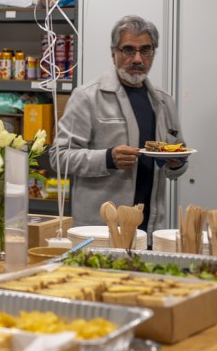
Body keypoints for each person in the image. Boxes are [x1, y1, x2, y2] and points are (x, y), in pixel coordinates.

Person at [50, 15, 187, 237]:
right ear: (114, 54)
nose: (137, 59)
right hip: (100, 229)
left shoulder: (164, 101)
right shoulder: (86, 97)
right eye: (128, 50)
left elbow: (179, 160)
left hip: (151, 229)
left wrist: (177, 162)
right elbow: (59, 156)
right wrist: (107, 158)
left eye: (146, 50)